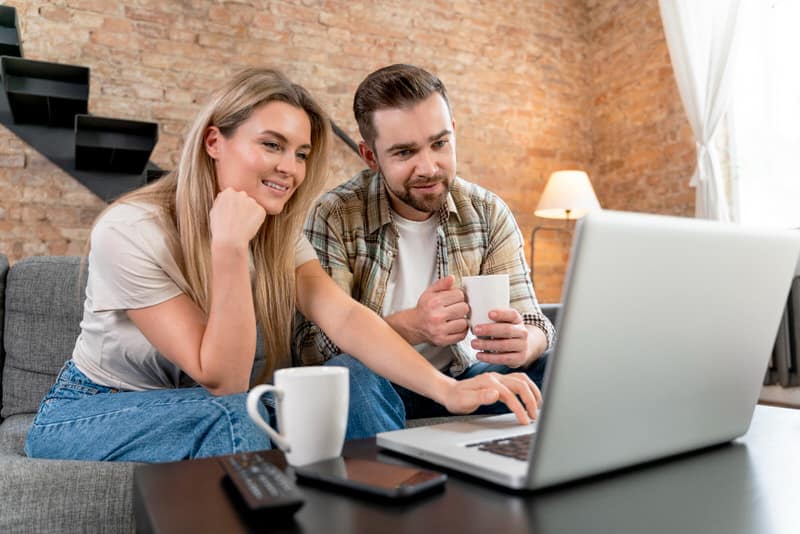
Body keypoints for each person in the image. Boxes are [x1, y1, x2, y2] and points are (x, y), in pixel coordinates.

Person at [25, 68, 540, 463]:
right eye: (271, 145)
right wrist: (227, 250)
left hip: (208, 405)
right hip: (94, 407)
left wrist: (450, 391)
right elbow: (223, 380)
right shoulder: (130, 230)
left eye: (300, 153)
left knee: (316, 398)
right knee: (237, 418)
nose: (288, 168)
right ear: (214, 142)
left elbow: (343, 317)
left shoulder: (276, 232)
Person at [297, 64, 555, 421]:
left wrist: (525, 341)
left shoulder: (487, 211)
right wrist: (411, 325)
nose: (429, 167)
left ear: (454, 133)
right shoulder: (336, 214)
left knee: (557, 366)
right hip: (380, 387)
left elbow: (535, 322)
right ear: (370, 156)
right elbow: (311, 351)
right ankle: (388, 477)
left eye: (439, 144)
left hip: (464, 377)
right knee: (350, 377)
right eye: (405, 153)